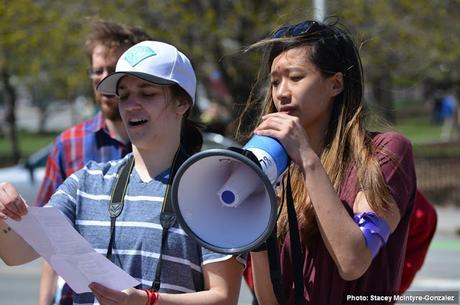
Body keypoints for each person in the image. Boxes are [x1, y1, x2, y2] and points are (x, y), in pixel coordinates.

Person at [0, 40, 243, 305]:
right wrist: (4, 216)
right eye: (124, 95)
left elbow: (224, 298)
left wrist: (147, 300)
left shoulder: (211, 192)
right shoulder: (87, 183)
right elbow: (15, 254)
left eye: (147, 93)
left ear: (182, 103)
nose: (130, 105)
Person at [237, 20, 417, 304]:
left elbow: (352, 261)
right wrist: (258, 234)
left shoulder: (384, 153)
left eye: (295, 78)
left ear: (335, 83)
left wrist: (308, 160)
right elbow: (270, 300)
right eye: (274, 82)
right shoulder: (277, 169)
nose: (281, 92)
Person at [35, 20, 151, 305]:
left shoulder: (163, 146)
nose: (104, 79)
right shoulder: (68, 144)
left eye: (113, 70)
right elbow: (50, 237)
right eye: (97, 71)